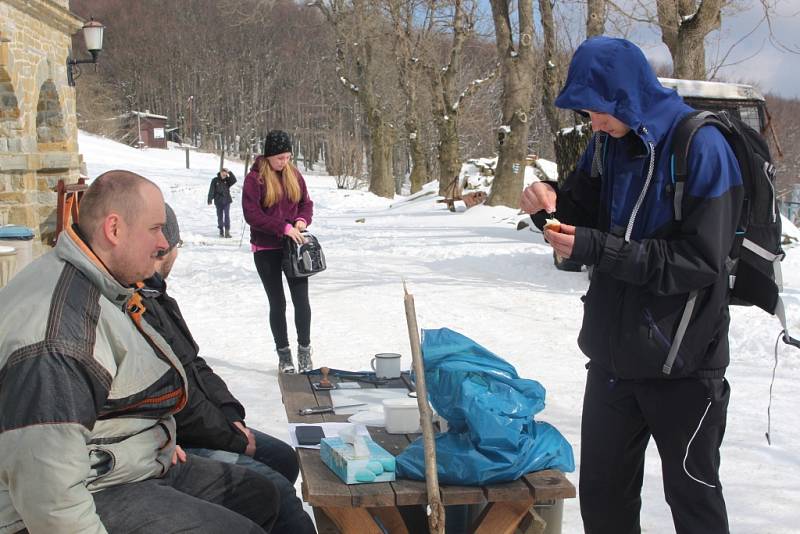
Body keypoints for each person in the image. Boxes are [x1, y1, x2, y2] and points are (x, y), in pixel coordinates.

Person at [520, 37, 743, 534]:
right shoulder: (607, 144)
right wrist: (548, 208)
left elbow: (700, 260)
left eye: (598, 110)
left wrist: (597, 249)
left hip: (685, 365)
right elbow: (579, 212)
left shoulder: (701, 146)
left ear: (627, 95)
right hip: (614, 362)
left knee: (694, 505)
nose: (591, 122)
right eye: (587, 112)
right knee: (602, 502)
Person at [0, 171, 279, 533]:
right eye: (155, 229)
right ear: (114, 229)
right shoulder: (60, 335)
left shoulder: (104, 284)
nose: (164, 242)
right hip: (76, 496)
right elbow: (50, 498)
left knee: (259, 495)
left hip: (128, 463)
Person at [138, 204, 316, 534]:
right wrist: (232, 438)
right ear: (167, 248)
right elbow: (178, 401)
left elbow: (196, 364)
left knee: (284, 458)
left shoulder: (158, 296)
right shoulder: (135, 306)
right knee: (277, 491)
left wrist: (230, 412)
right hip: (177, 440)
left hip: (204, 425)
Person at [242, 130, 315, 374]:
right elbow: (252, 215)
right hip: (266, 249)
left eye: (287, 157)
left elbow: (306, 202)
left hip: (293, 248)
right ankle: (284, 355)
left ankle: (305, 351)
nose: (284, 162)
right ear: (269, 156)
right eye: (280, 158)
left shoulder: (293, 174)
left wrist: (302, 221)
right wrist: (282, 227)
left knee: (301, 300)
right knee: (278, 302)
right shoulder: (255, 179)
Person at [208, 167, 237, 238]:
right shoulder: (215, 180)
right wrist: (210, 199)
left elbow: (234, 180)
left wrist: (229, 172)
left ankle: (227, 231)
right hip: (218, 201)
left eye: (225, 173)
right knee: (220, 216)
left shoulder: (228, 180)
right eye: (223, 172)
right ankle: (221, 229)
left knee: (227, 215)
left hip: (227, 200)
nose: (224, 174)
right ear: (220, 172)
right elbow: (211, 190)